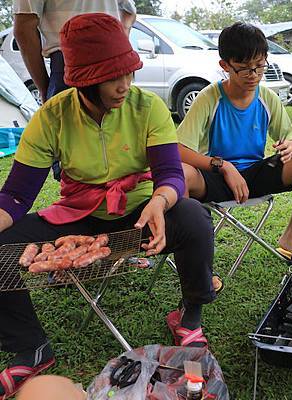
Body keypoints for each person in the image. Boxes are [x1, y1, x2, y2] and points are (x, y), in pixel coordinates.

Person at [0, 14, 216, 399]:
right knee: (3, 241)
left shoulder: (146, 106)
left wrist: (159, 201)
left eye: (129, 73)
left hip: (138, 214)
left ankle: (190, 315)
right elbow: (16, 196)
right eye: (113, 77)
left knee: (194, 217)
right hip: (78, 217)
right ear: (82, 80)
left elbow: (170, 174)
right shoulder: (52, 116)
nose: (125, 85)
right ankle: (30, 347)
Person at [177, 22, 292, 271]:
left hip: (255, 175)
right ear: (225, 66)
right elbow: (179, 149)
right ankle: (195, 266)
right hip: (215, 177)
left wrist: (291, 146)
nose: (254, 75)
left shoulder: (266, 97)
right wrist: (223, 166)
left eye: (260, 66)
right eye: (245, 69)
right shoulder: (209, 98)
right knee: (181, 175)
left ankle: (291, 238)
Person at [13, 0, 136, 103]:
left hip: (76, 63)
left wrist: (45, 89)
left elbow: (24, 28)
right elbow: (129, 12)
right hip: (77, 63)